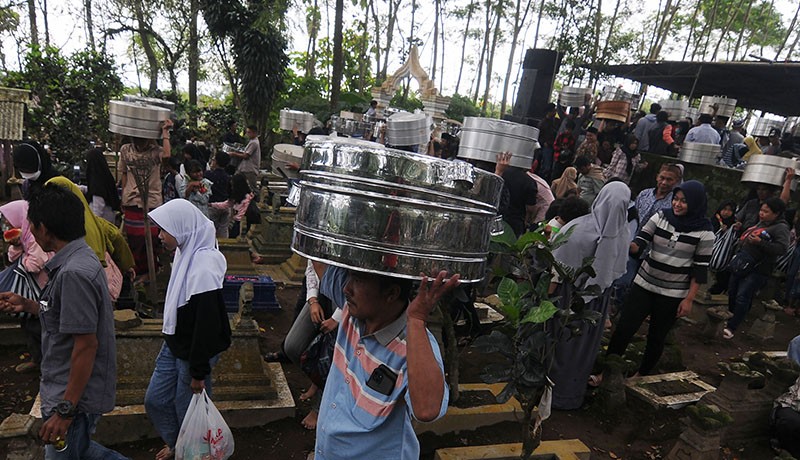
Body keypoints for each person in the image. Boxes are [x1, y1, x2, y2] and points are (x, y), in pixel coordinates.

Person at [0, 184, 125, 459]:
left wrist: (65, 411)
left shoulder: (73, 274)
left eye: (31, 224)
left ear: (44, 228)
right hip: (66, 390)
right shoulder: (77, 260)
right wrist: (29, 305)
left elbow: (86, 345)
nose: (29, 230)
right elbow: (65, 315)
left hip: (71, 397)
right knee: (81, 450)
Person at [314, 270, 458, 460]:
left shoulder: (416, 345)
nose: (346, 288)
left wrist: (415, 320)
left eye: (357, 280)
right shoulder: (352, 310)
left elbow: (427, 410)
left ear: (391, 294)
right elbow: (322, 257)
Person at [144, 199, 232, 460]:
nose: (160, 236)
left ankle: (196, 454)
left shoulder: (204, 266)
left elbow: (206, 325)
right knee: (155, 400)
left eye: (164, 230)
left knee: (189, 410)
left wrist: (198, 372)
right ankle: (179, 447)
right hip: (175, 342)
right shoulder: (186, 252)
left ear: (182, 228)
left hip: (194, 351)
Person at [604, 180, 715, 376]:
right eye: (676, 199)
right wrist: (617, 240)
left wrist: (689, 299)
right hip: (644, 283)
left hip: (672, 293)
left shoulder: (705, 233)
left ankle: (642, 375)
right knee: (624, 328)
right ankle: (606, 372)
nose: (677, 204)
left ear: (696, 204)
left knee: (657, 336)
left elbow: (700, 269)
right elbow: (639, 242)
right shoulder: (661, 217)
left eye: (683, 201)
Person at [550, 182, 631, 409]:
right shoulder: (623, 234)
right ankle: (568, 395)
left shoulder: (578, 229)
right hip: (596, 299)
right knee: (581, 347)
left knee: (566, 344)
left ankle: (556, 395)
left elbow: (555, 269)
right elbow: (611, 273)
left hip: (568, 295)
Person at [47, 177, 135, 303]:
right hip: (98, 278)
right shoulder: (94, 221)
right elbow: (116, 237)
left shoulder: (53, 225)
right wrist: (127, 266)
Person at [724, 197, 790, 339]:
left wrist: (760, 243)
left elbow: (782, 248)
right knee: (732, 291)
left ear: (776, 213)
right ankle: (730, 317)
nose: (762, 213)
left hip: (759, 268)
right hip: (743, 263)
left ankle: (732, 326)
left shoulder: (781, 228)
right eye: (761, 210)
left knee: (743, 296)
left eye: (766, 211)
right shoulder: (761, 223)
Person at [0, 200, 51, 373]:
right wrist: (16, 245)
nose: (7, 223)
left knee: (39, 326)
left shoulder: (35, 236)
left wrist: (23, 256)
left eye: (9, 219)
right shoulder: (24, 236)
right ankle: (37, 359)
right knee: (27, 324)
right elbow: (12, 259)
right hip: (28, 290)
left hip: (40, 289)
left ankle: (47, 363)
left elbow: (34, 265)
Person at [118, 118, 173, 275]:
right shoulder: (126, 150)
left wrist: (165, 133)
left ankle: (151, 271)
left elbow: (167, 155)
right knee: (134, 239)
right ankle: (137, 272)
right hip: (131, 200)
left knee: (151, 237)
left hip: (152, 200)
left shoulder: (156, 152)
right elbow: (123, 174)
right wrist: (123, 195)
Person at [707, 200, 738, 295]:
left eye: (729, 210)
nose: (726, 212)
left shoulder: (734, 224)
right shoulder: (713, 221)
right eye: (724, 209)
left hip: (725, 257)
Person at [85, 148, 121, 224]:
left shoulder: (96, 178)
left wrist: (94, 223)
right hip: (109, 215)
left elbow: (98, 203)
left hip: (102, 220)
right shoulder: (104, 175)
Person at [205, 152, 232, 238]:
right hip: (226, 206)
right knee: (224, 230)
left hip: (212, 206)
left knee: (210, 230)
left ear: (215, 162)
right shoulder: (228, 177)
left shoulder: (209, 175)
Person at [228, 124, 261, 191]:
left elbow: (246, 155)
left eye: (249, 132)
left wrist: (234, 154)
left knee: (253, 187)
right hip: (244, 168)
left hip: (250, 169)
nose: (247, 134)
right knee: (235, 181)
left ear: (254, 133)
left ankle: (256, 199)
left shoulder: (254, 143)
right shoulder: (252, 141)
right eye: (247, 132)